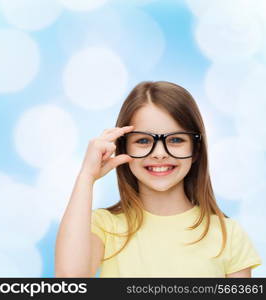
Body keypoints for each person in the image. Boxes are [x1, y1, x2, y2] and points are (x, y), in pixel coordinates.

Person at [54, 81, 262, 277]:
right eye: (144, 140)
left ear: (196, 150)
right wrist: (86, 177)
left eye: (176, 140)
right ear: (124, 147)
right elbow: (70, 279)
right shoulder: (103, 226)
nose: (160, 153)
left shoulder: (228, 234)